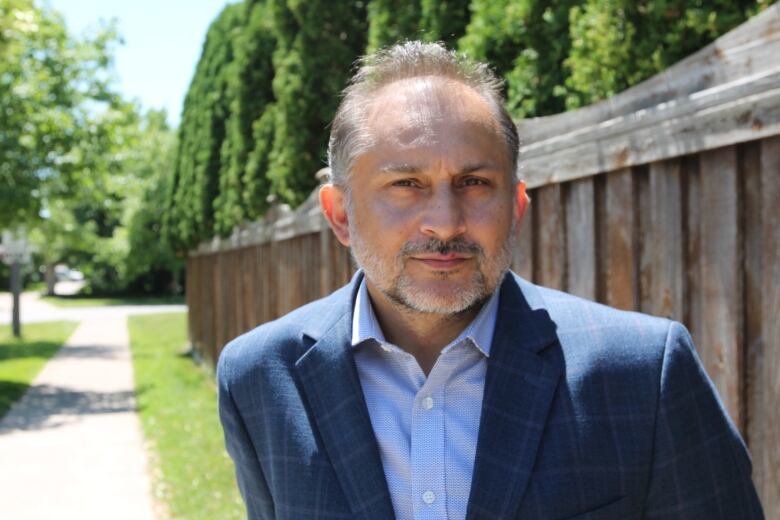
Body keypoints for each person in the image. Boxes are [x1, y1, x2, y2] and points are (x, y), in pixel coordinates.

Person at [217, 42, 764, 520]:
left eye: (475, 182)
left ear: (517, 205)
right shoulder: (260, 379)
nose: (446, 221)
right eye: (406, 183)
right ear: (340, 215)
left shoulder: (643, 373)